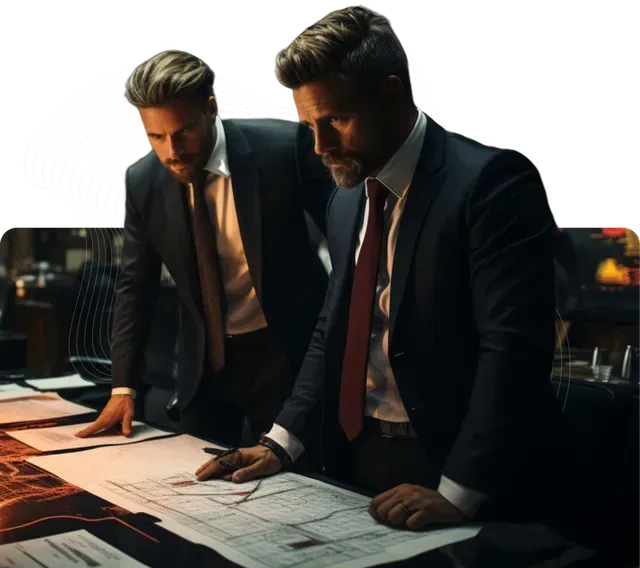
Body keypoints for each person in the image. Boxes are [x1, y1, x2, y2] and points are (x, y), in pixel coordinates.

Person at [195, 7, 568, 531]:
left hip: (464, 468)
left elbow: (512, 345)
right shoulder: (346, 199)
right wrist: (281, 442)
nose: (320, 146)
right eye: (309, 126)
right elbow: (334, 330)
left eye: (337, 120)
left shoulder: (492, 183)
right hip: (362, 455)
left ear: (392, 95)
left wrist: (461, 490)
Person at [76, 49, 334, 447]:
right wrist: (123, 387)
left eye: (183, 132)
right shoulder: (144, 181)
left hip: (287, 357)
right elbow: (135, 287)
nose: (171, 151)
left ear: (211, 109)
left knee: (292, 489)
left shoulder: (284, 148)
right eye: (156, 136)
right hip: (204, 363)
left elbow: (349, 239)